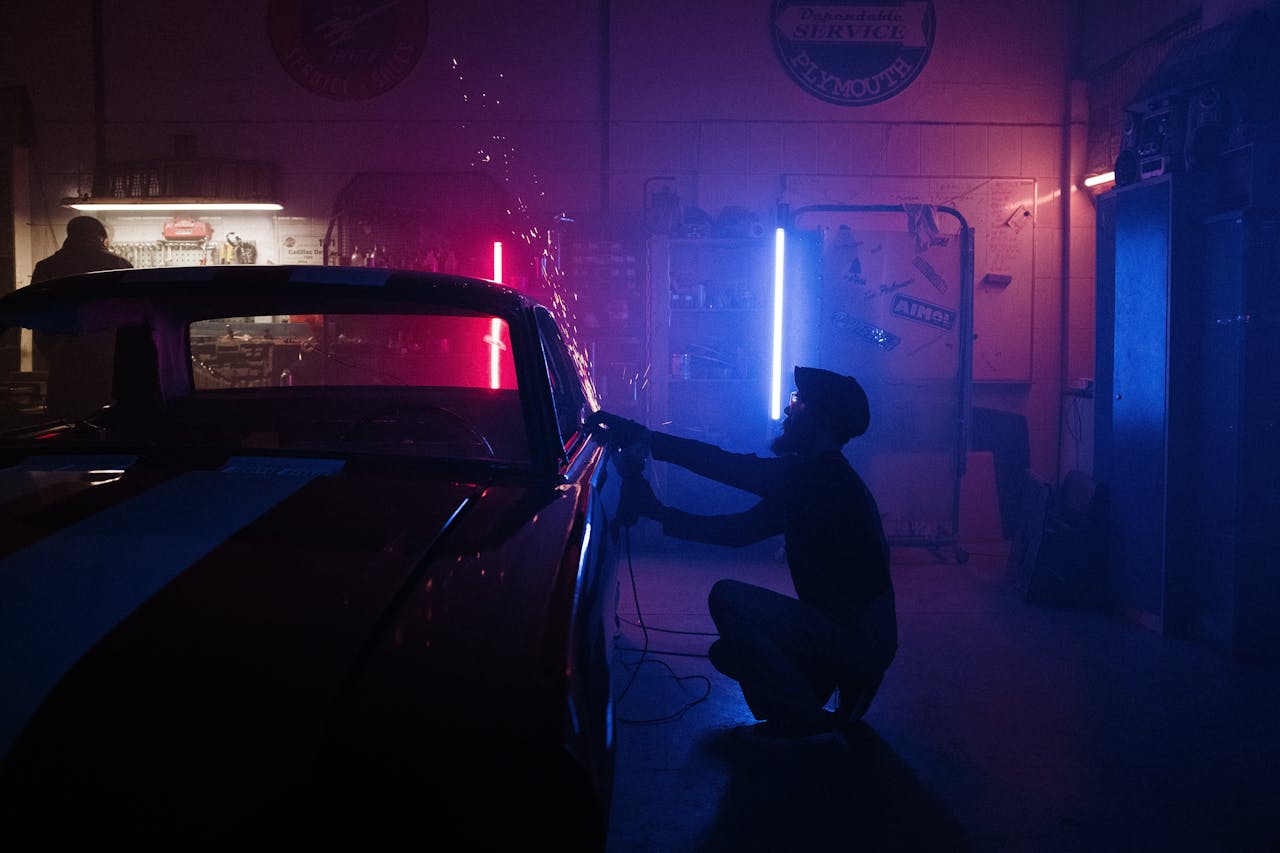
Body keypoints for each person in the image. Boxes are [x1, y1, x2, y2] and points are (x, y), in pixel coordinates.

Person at [587, 365, 896, 745]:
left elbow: (727, 467)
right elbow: (739, 533)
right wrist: (660, 514)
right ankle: (812, 694)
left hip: (857, 641)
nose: (788, 411)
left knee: (728, 599)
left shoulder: (818, 478)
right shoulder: (817, 479)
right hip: (855, 637)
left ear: (823, 421)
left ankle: (803, 717)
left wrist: (648, 439)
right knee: (728, 653)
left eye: (798, 404)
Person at [31, 216, 133, 418]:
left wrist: (52, 354)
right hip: (108, 367)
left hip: (64, 367)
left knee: (63, 430)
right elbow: (134, 317)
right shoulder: (119, 265)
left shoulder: (46, 267)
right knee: (109, 430)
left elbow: (36, 316)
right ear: (102, 239)